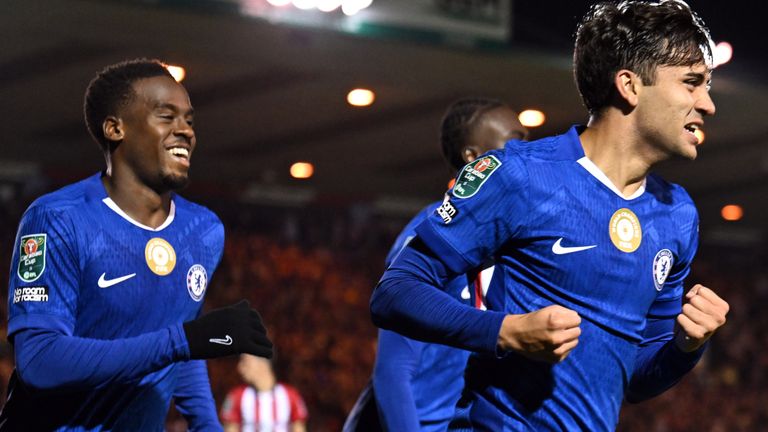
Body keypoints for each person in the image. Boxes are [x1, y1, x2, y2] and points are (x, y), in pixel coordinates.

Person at [370, 1, 730, 431]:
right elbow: (394, 293)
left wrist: (686, 346)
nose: (707, 104)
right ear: (630, 86)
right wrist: (505, 331)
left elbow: (634, 379)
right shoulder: (520, 176)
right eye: (692, 83)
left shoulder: (677, 215)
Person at [0, 58, 273, 431]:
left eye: (189, 120)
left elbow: (183, 349)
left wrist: (207, 426)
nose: (185, 131)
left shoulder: (204, 230)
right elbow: (41, 361)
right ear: (115, 128)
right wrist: (183, 339)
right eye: (167, 117)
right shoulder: (58, 219)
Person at [344, 98, 528, 432]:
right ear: (472, 158)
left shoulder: (514, 239)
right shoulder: (431, 234)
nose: (525, 151)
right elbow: (392, 369)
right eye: (514, 141)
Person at [221, 354, 308, 432]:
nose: (240, 368)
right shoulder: (236, 396)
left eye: (245, 362)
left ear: (262, 363)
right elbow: (230, 428)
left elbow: (299, 428)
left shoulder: (290, 395)